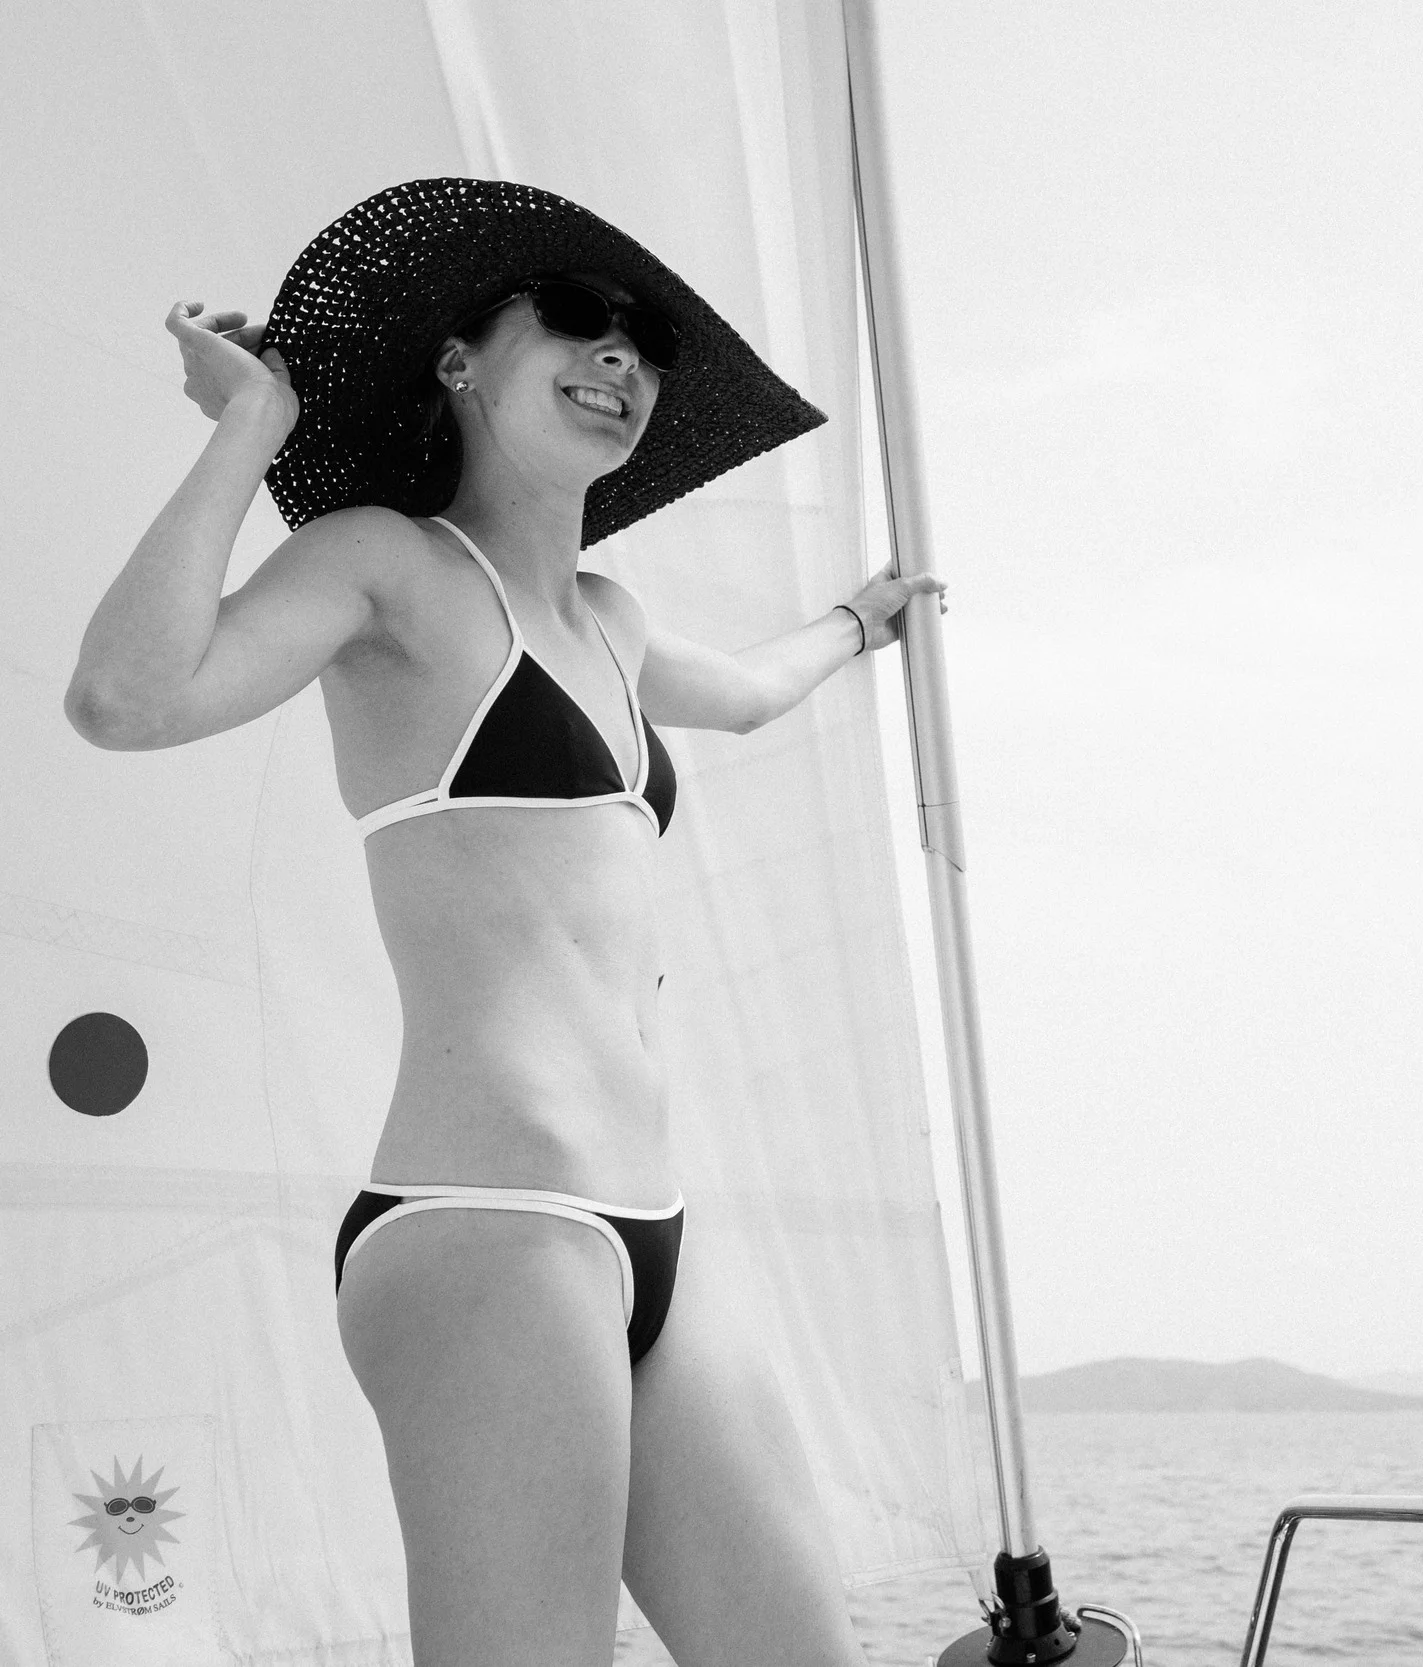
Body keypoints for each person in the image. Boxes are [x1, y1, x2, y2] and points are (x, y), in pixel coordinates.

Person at [63, 179, 934, 1667]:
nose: (622, 357)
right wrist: (252, 426)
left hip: (657, 1230)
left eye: (646, 344)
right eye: (579, 323)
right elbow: (124, 701)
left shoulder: (615, 620)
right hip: (486, 1221)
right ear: (461, 362)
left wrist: (867, 620)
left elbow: (748, 693)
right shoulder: (383, 565)